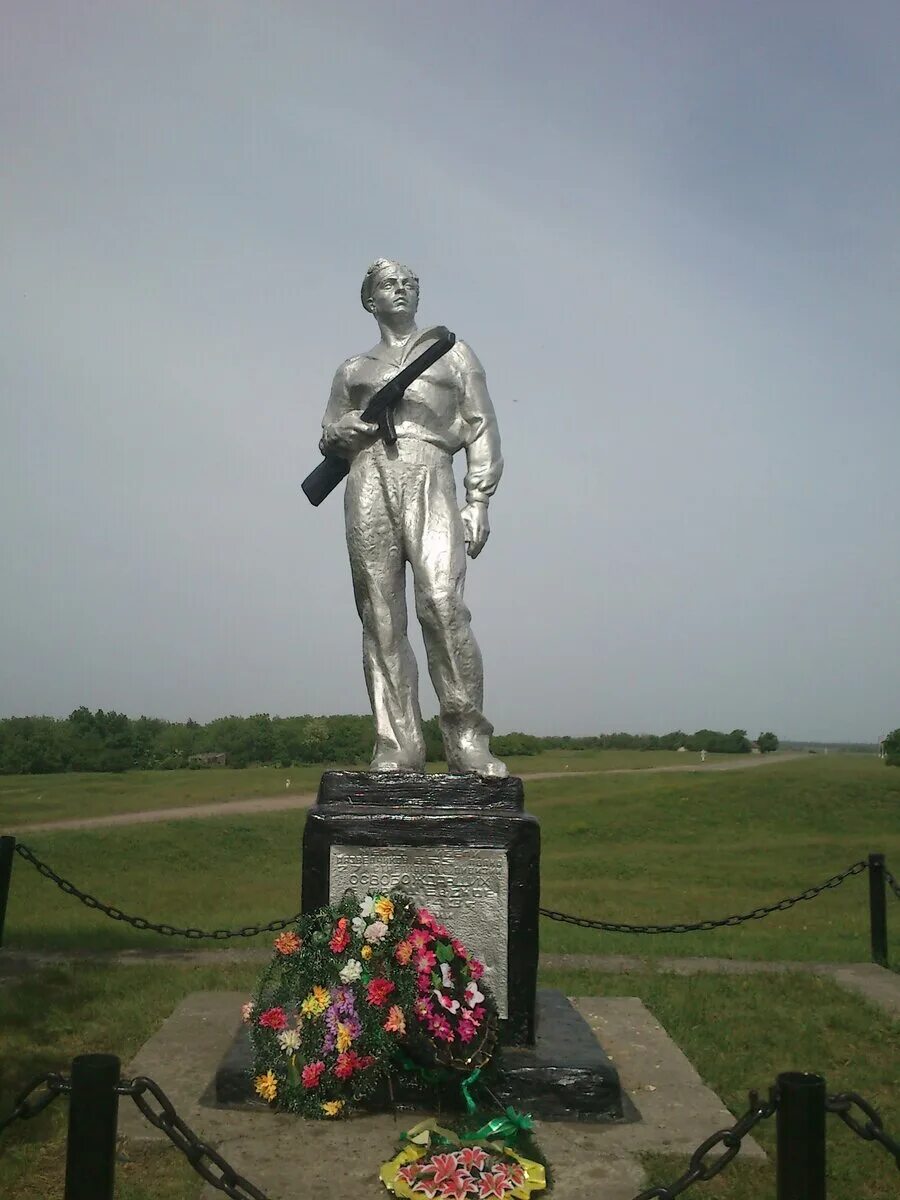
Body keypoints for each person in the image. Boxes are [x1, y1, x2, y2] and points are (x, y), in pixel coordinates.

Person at [319, 259, 507, 778]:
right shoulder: (352, 370)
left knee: (443, 604)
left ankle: (467, 738)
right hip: (367, 475)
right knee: (379, 615)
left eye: (407, 283)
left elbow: (481, 425)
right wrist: (342, 432)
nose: (399, 290)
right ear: (369, 300)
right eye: (387, 285)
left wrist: (479, 499)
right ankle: (397, 744)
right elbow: (328, 432)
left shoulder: (451, 351)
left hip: (431, 468)